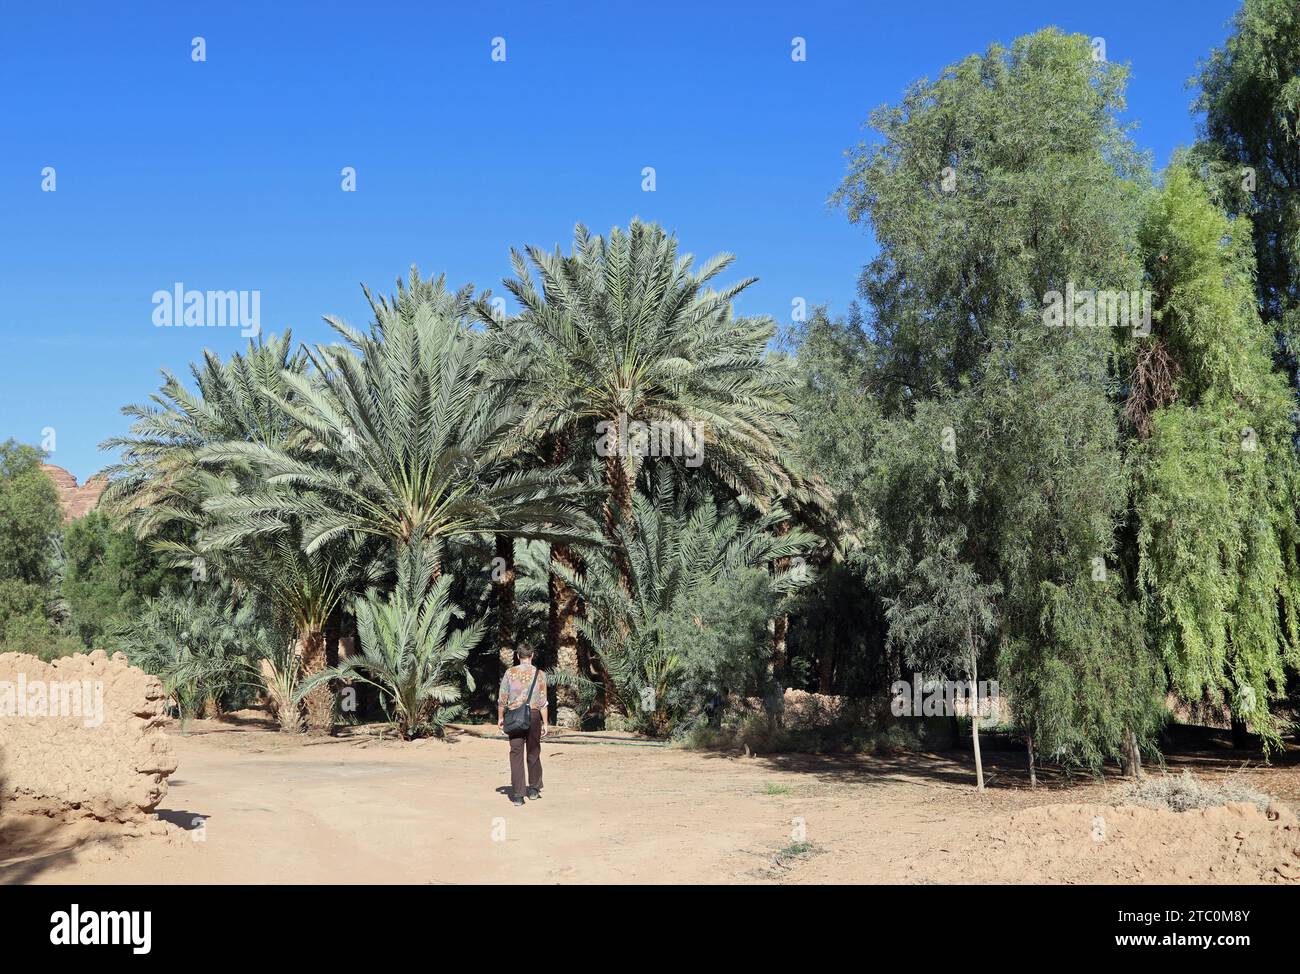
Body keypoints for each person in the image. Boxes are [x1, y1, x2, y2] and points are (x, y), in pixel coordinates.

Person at [497, 644, 548, 806]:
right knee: (533, 750)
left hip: (514, 716)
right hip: (533, 715)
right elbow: (543, 702)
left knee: (516, 753)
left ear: (518, 656)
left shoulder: (510, 673)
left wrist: (500, 717)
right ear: (532, 655)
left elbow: (502, 698)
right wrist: (545, 723)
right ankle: (533, 789)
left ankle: (518, 795)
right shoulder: (540, 674)